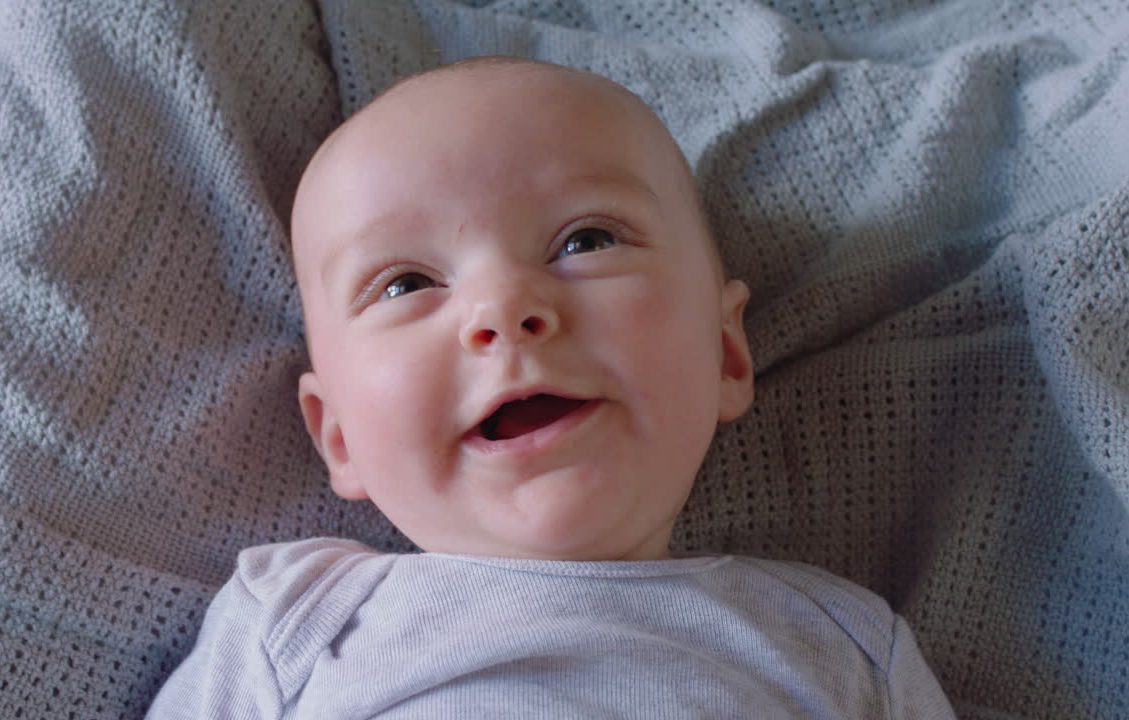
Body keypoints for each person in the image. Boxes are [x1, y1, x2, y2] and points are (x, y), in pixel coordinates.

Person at [146, 56, 957, 718]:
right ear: (340, 438)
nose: (503, 308)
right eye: (403, 284)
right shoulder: (298, 623)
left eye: (587, 239)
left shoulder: (839, 647)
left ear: (724, 355)